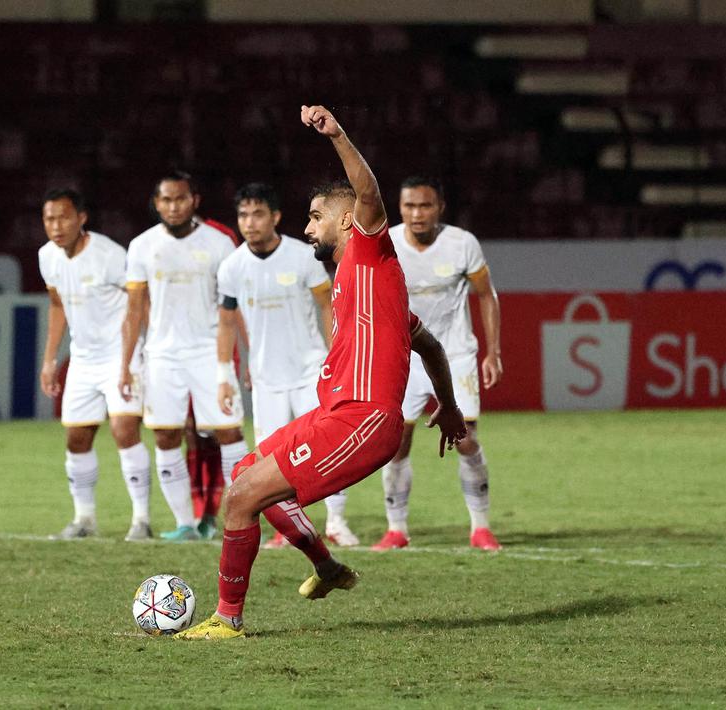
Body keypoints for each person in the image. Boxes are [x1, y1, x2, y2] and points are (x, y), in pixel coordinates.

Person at [176, 106, 467, 640]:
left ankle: (228, 620)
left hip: (361, 421)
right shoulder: (367, 285)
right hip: (334, 414)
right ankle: (328, 568)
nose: (306, 225)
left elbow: (368, 193)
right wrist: (446, 405)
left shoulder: (369, 248)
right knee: (243, 476)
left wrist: (336, 135)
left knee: (239, 502)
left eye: (314, 216)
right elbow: (431, 348)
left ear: (346, 219)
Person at [216, 182, 359, 548]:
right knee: (272, 459)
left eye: (258, 213)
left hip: (310, 371)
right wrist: (227, 372)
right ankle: (287, 528)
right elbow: (229, 320)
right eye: (243, 215)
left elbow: (330, 306)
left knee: (326, 448)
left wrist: (336, 356)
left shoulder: (302, 257)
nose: (250, 222)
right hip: (267, 379)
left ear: (275, 217)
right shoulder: (232, 267)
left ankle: (338, 522)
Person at [371, 177, 504, 552]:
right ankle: (396, 529)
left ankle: (480, 526)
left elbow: (486, 294)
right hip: (404, 358)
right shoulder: (388, 243)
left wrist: (493, 351)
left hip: (456, 355)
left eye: (425, 206)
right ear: (400, 208)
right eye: (410, 206)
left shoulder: (462, 244)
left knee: (466, 439)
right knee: (395, 443)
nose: (417, 214)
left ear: (440, 207)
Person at [120, 171, 249, 541]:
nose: (173, 207)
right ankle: (185, 524)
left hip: (209, 351)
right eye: (165, 200)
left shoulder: (220, 241)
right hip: (162, 355)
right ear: (156, 203)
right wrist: (127, 365)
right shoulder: (142, 245)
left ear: (195, 200)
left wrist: (245, 355)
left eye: (180, 199)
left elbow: (232, 307)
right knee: (165, 435)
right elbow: (133, 311)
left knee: (228, 432)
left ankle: (237, 515)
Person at [38, 188, 152, 542]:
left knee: (123, 430)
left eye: (63, 217)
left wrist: (131, 357)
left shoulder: (109, 255)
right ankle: (84, 519)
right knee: (76, 436)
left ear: (81, 218)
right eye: (49, 219)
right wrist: (49, 359)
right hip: (84, 359)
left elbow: (139, 304)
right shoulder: (47, 256)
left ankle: (141, 521)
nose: (56, 226)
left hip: (122, 355)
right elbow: (58, 306)